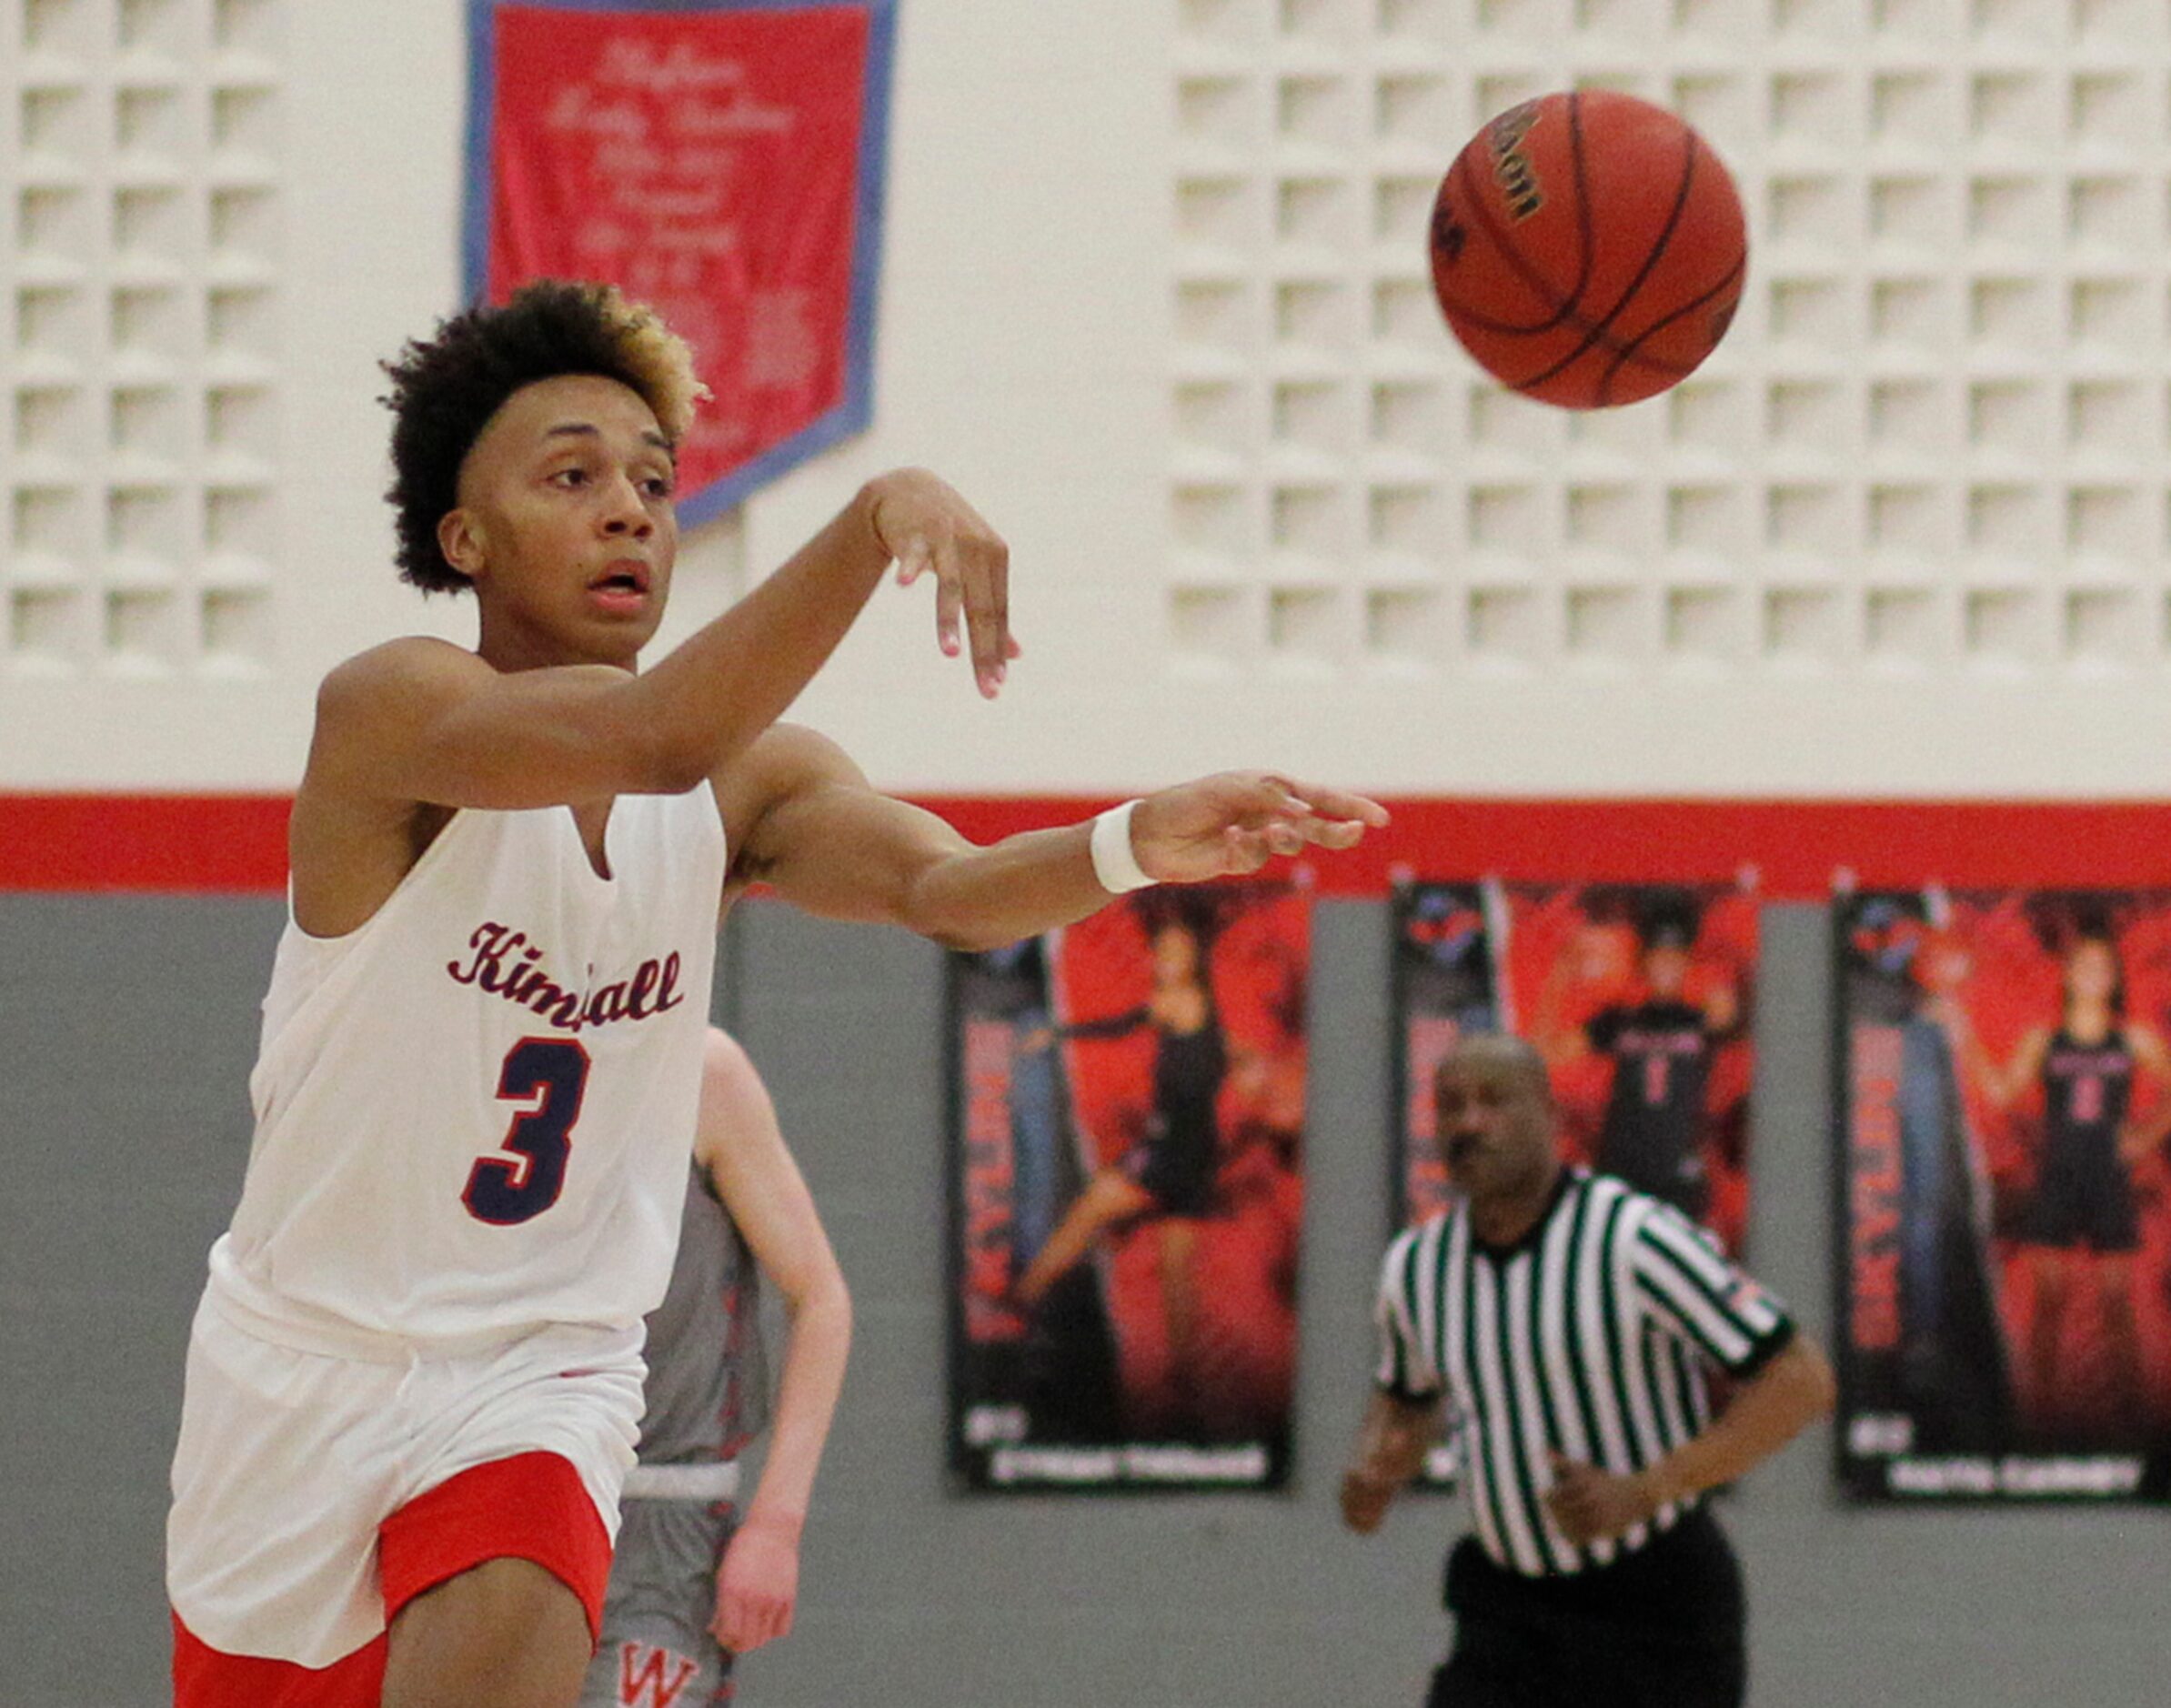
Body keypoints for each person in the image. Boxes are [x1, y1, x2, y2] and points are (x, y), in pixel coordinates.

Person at [166, 279, 1387, 1708]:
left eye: (653, 481)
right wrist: (874, 519)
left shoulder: (748, 781)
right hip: (302, 1366)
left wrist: (1128, 842)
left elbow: (943, 888)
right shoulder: (390, 714)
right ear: (465, 538)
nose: (630, 509)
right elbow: (656, 731)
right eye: (572, 475)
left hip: (539, 1375)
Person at [1341, 1035, 1833, 1708]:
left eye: (1492, 1101)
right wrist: (1377, 1466)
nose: (1467, 1123)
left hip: (1653, 1608)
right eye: (1450, 1105)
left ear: (1550, 1115)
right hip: (1505, 1612)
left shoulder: (1635, 1238)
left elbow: (1801, 1380)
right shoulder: (1416, 1266)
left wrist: (1649, 1486)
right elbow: (1405, 1397)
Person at [578, 1028, 847, 1708]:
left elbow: (820, 1300)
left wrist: (776, 1526)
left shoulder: (699, 1069)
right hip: (505, 1487)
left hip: (660, 1509)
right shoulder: (466, 1053)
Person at [1935, 925, 2171, 1435]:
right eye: (2082, 965)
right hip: (2058, 1177)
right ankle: (2037, 1424)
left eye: (2101, 968)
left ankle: (2140, 1428)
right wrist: (1964, 1037)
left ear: (2112, 979)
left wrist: (2144, 1137)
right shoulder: (2044, 1039)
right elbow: (1999, 1092)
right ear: (2068, 975)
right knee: (2049, 1302)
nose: (2091, 975)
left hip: (2109, 1178)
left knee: (2116, 1303)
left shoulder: (2134, 1038)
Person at [1537, 900, 1739, 1221]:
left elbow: (1729, 1013)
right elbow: (1547, 1051)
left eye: (1674, 959)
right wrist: (1561, 974)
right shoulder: (1620, 1019)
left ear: (1687, 962)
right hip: (1622, 1171)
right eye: (1658, 958)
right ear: (1644, 961)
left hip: (1678, 1175)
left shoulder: (1698, 1021)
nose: (1665, 968)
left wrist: (1717, 980)